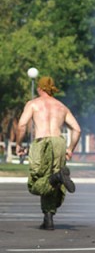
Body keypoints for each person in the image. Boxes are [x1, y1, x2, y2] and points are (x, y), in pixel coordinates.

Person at [16, 76, 81, 230]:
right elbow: (77, 129)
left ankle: (56, 178)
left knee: (36, 181)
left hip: (41, 142)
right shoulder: (61, 107)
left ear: (39, 88)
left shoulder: (33, 104)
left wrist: (18, 144)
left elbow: (21, 125)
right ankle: (48, 218)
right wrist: (70, 149)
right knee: (52, 181)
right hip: (58, 142)